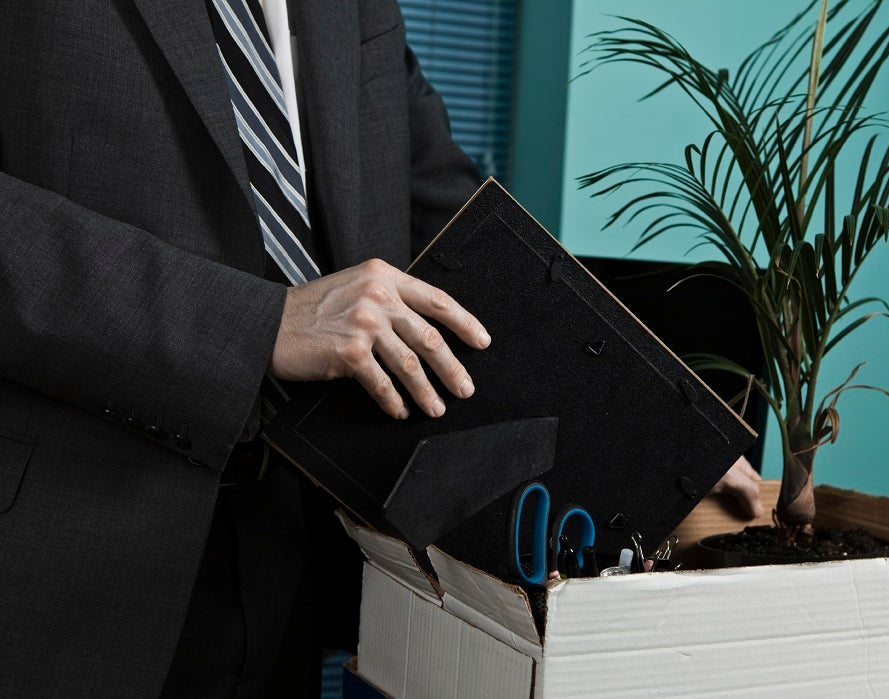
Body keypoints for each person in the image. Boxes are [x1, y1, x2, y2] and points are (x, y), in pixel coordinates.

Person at [0, 1, 762, 696]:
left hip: (298, 534)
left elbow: (454, 223)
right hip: (63, 549)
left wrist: (655, 422)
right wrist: (259, 323)